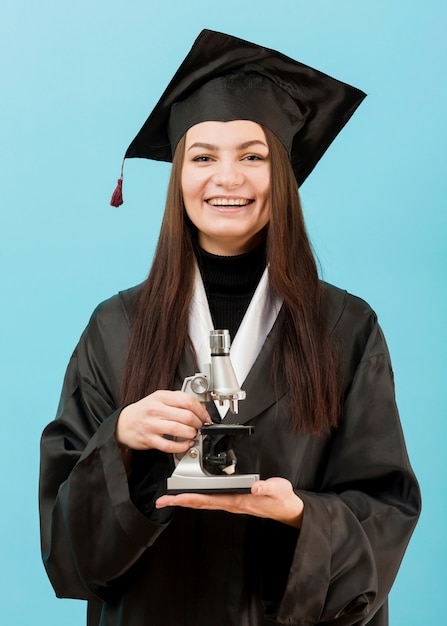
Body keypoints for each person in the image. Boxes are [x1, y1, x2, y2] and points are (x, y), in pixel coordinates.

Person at [39, 29, 420, 626]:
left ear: (283, 174)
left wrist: (300, 516)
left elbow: (386, 513)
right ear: (178, 175)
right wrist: (119, 439)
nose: (227, 179)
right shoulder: (115, 328)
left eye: (252, 155)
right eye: (203, 156)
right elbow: (65, 551)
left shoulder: (346, 328)